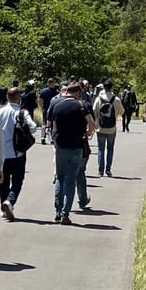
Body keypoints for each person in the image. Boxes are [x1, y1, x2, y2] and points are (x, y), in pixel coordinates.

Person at [48, 81, 92, 223]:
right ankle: (65, 213)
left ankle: (57, 209)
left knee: (60, 177)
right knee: (71, 180)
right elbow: (92, 123)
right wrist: (87, 133)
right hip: (76, 146)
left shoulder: (57, 106)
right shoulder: (82, 106)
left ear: (66, 92)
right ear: (78, 92)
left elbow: (52, 126)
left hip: (61, 146)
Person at [0, 86, 37, 220]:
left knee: (3, 181)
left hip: (1, 153)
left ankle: (3, 208)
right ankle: (10, 201)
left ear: (7, 97)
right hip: (18, 153)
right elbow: (33, 128)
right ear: (19, 99)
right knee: (17, 181)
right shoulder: (22, 113)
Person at [93, 83, 120, 177]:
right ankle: (108, 169)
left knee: (100, 149)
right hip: (112, 128)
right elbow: (122, 111)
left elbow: (94, 112)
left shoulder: (98, 99)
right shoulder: (116, 99)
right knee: (110, 148)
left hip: (100, 128)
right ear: (112, 87)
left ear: (103, 88)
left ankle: (100, 170)